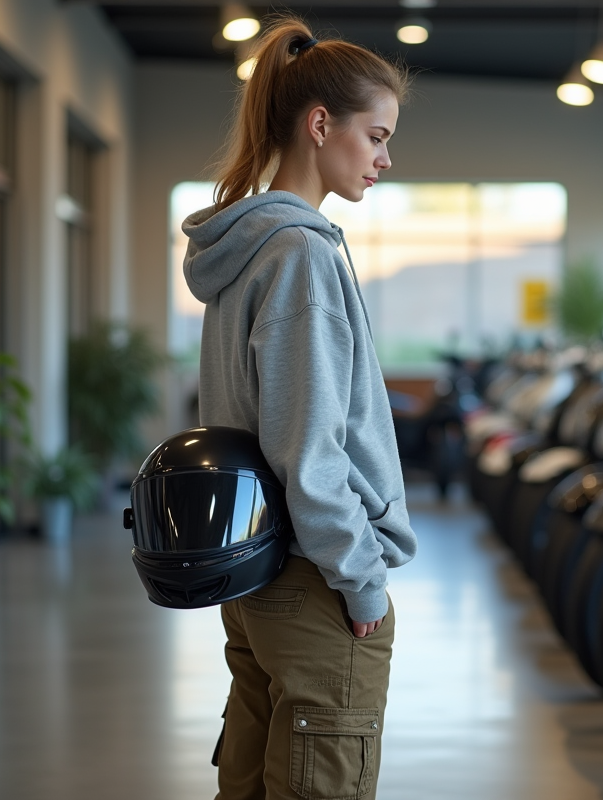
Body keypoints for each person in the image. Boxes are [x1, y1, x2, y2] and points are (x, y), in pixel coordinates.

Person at [180, 15, 416, 800]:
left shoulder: (242, 251)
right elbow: (309, 455)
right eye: (375, 136)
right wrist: (364, 584)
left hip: (254, 576)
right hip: (315, 579)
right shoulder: (301, 255)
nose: (384, 159)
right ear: (321, 125)